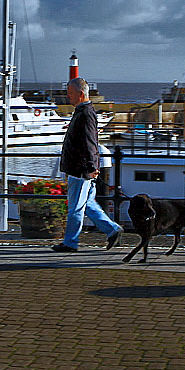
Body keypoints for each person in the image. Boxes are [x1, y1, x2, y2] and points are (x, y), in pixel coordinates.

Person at [52, 78, 122, 252]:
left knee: (75, 207)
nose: (68, 96)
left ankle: (71, 242)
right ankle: (112, 230)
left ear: (80, 94)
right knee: (88, 204)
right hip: (81, 167)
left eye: (70, 92)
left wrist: (91, 167)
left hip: (80, 169)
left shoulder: (85, 114)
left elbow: (90, 143)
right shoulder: (83, 112)